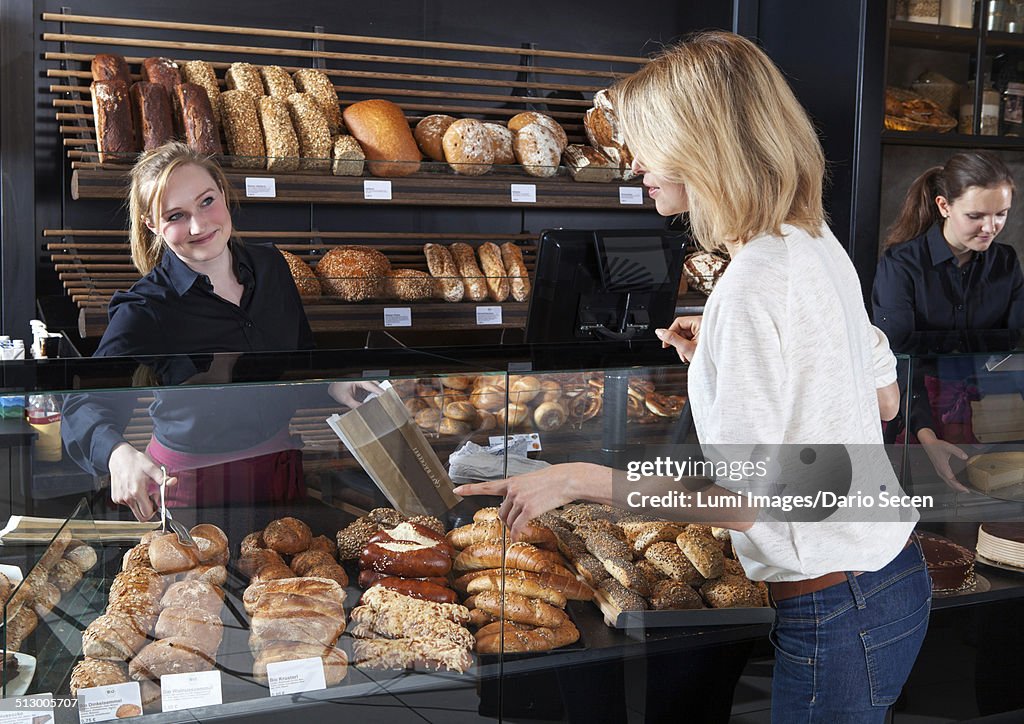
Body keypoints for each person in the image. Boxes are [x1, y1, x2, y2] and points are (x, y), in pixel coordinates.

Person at [456, 31, 929, 723]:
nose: (636, 162)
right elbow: (881, 398)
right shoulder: (809, 239)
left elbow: (753, 503)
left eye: (648, 141)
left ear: (707, 144)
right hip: (890, 581)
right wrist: (729, 353)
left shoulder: (751, 286)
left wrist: (583, 480)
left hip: (835, 604)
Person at [62, 141, 376, 521]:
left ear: (224, 194)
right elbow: (83, 405)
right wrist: (117, 454)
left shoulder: (271, 266)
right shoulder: (146, 307)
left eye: (206, 201)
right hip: (191, 490)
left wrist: (332, 385)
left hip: (278, 474)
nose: (198, 225)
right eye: (175, 215)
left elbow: (297, 361)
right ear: (152, 225)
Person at [872, 151, 1024, 490]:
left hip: (985, 416)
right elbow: (891, 361)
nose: (991, 228)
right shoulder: (901, 264)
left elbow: (1013, 343)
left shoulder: (1006, 262)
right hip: (910, 416)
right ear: (944, 206)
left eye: (1001, 214)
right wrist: (924, 432)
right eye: (976, 215)